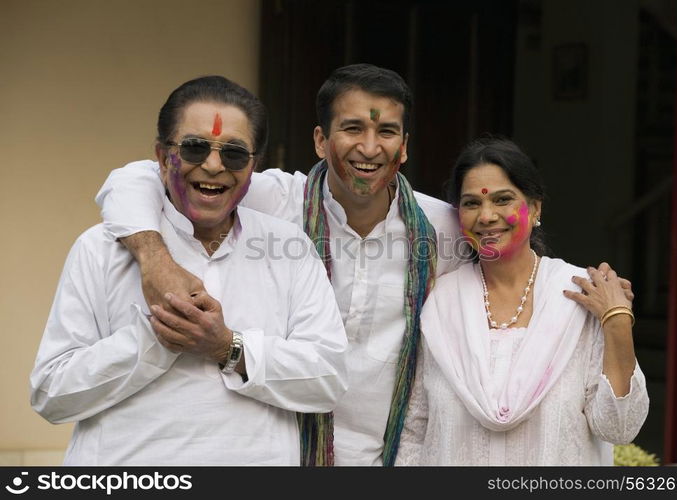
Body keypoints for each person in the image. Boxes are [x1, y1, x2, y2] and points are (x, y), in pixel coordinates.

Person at [94, 65, 630, 465]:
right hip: (277, 449)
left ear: (404, 146)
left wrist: (602, 299)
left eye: (387, 131)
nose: (369, 147)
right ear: (321, 140)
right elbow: (137, 178)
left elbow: (511, 248)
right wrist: (153, 257)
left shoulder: (443, 226)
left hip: (388, 455)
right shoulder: (273, 200)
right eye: (352, 129)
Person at [30, 76, 348, 466]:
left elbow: (327, 380)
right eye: (195, 148)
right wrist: (156, 339)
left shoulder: (289, 248)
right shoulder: (101, 248)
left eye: (233, 153)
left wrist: (227, 347)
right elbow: (52, 395)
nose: (214, 166)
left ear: (253, 167)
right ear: (163, 158)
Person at [395, 137, 649, 465]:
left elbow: (619, 428)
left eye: (503, 200)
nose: (486, 216)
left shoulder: (580, 297)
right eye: (471, 204)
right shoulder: (442, 303)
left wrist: (616, 322)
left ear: (536, 208)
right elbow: (417, 429)